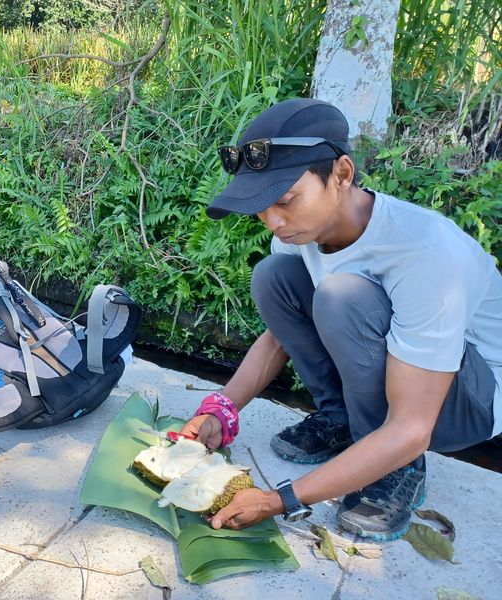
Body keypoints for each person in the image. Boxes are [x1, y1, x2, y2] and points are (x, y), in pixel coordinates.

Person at [180, 98, 502, 541]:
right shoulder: (301, 231)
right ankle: (341, 421)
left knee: (341, 295)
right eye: (262, 205)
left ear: (342, 174)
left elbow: (412, 427)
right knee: (273, 275)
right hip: (406, 369)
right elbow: (278, 339)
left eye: (286, 200)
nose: (272, 220)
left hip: (469, 398)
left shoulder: (425, 253)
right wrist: (221, 409)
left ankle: (400, 469)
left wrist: (281, 499)